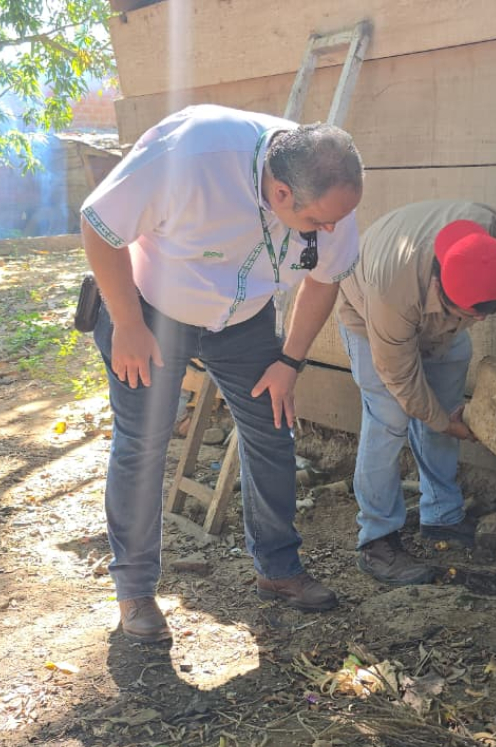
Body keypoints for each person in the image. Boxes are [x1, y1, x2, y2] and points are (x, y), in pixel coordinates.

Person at [80, 104, 363, 642]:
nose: (331, 230)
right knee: (143, 443)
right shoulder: (192, 154)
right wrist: (128, 325)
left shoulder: (330, 191)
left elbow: (325, 278)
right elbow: (99, 226)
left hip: (243, 318)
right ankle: (135, 590)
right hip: (149, 308)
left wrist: (289, 362)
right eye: (318, 223)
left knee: (273, 428)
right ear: (282, 193)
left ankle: (277, 569)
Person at [336, 199, 496, 585]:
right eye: (468, 313)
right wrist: (441, 422)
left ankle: (441, 514)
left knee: (450, 389)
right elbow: (400, 377)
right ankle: (377, 539)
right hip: (371, 319)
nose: (478, 320)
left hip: (435, 322)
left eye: (486, 313)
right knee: (389, 416)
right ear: (440, 287)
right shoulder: (393, 282)